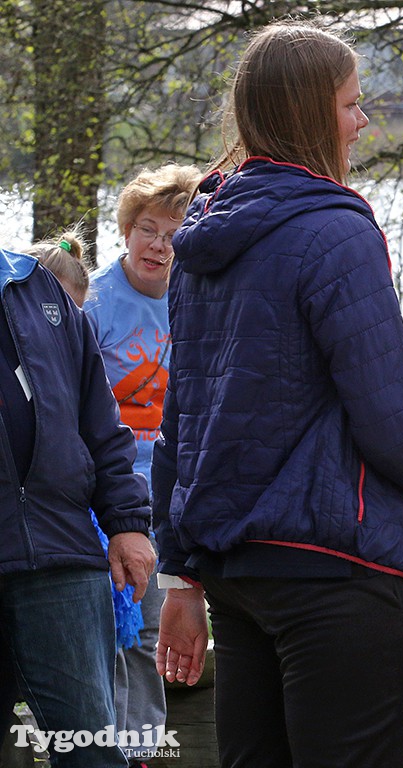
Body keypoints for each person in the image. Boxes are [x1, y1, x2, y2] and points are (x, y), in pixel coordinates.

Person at [150, 21, 403, 768]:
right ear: (308, 113)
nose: (362, 122)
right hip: (333, 568)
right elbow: (390, 420)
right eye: (351, 104)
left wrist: (181, 576)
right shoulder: (335, 230)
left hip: (237, 572)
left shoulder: (204, 235)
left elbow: (179, 423)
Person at [0, 240, 155, 767]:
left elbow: (100, 422)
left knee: (92, 753)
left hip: (63, 557)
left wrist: (128, 523)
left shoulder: (39, 287)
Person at [83, 163, 200, 768]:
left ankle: (141, 754)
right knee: (107, 632)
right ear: (127, 230)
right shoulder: (96, 302)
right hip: (103, 500)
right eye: (147, 229)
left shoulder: (193, 304)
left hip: (168, 498)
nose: (158, 245)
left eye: (173, 234)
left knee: (151, 633)